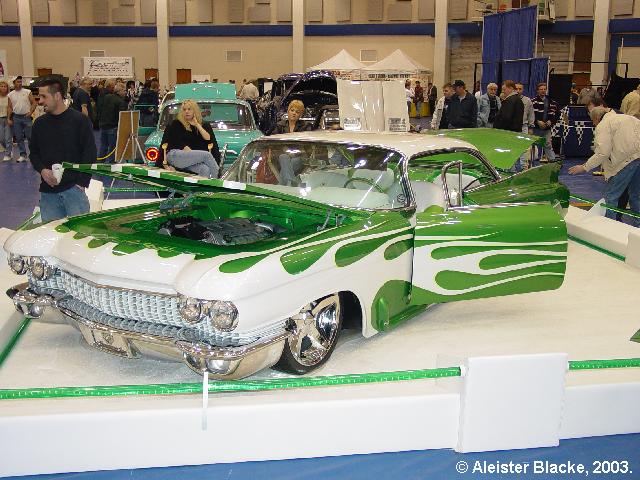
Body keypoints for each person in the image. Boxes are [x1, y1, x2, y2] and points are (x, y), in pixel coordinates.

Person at [29, 78, 95, 222]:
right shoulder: (39, 124)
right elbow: (33, 154)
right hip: (48, 194)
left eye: (44, 96)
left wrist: (81, 183)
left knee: (79, 232)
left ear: (57, 96)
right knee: (51, 233)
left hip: (74, 191)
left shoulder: (80, 121)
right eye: (39, 97)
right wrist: (42, 170)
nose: (40, 101)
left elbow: (89, 153)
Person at [568, 107, 640, 227]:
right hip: (637, 158)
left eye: (593, 121)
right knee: (636, 196)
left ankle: (608, 227)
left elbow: (602, 152)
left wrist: (584, 167)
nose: (593, 124)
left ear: (596, 118)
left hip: (626, 161)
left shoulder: (604, 125)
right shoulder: (629, 118)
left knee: (611, 196)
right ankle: (638, 227)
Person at [160, 99, 220, 178]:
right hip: (175, 155)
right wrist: (193, 154)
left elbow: (208, 138)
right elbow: (177, 142)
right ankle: (217, 179)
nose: (186, 112)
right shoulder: (176, 123)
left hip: (188, 159)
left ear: (195, 111)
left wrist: (197, 124)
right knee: (207, 155)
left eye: (189, 109)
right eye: (184, 109)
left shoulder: (202, 124)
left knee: (205, 169)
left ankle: (201, 186)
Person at [8, 76, 36, 162]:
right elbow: (9, 107)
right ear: (14, 83)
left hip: (26, 117)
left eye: (21, 81)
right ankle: (23, 155)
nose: (20, 83)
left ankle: (33, 155)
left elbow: (34, 103)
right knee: (19, 137)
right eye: (18, 82)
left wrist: (30, 112)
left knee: (30, 137)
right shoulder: (10, 94)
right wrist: (9, 118)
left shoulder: (27, 92)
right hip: (16, 117)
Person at [98, 82, 127, 163]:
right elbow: (122, 116)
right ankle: (111, 163)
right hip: (113, 126)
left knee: (103, 145)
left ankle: (100, 162)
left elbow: (100, 108)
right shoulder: (121, 102)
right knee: (113, 147)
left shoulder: (106, 97)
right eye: (124, 90)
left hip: (103, 124)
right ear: (120, 91)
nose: (125, 92)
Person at [531, 82, 559, 163]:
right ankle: (530, 162)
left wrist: (551, 121)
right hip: (536, 128)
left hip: (547, 128)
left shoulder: (552, 102)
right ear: (537, 91)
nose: (543, 91)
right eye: (541, 89)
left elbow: (557, 114)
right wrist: (537, 121)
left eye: (544, 89)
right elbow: (531, 114)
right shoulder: (533, 101)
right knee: (532, 145)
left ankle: (552, 161)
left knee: (548, 144)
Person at [0, 80, 13, 162]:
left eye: (5, 86)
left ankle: (8, 154)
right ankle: (9, 150)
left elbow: (10, 108)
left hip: (7, 119)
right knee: (1, 139)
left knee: (8, 138)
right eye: (1, 86)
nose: (3, 88)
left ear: (7, 88)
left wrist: (9, 118)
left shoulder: (9, 97)